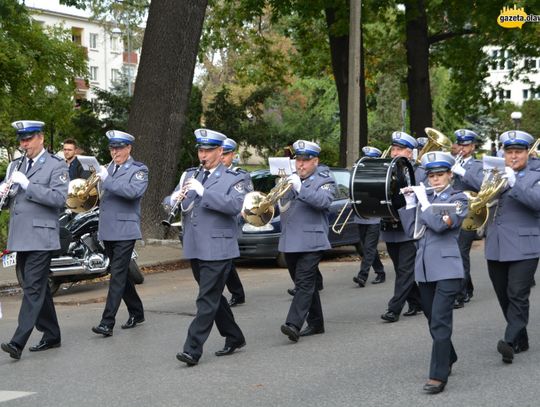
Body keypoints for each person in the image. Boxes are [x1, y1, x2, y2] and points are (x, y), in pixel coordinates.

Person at [173, 129, 249, 366]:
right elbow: (172, 200)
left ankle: (192, 349)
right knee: (214, 296)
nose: (202, 155)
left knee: (205, 299)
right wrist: (174, 198)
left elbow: (236, 205)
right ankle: (234, 336)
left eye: (207, 151)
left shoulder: (236, 178)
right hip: (195, 245)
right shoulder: (190, 174)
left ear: (220, 151)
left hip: (219, 246)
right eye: (200, 150)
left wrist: (204, 191)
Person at [399, 151, 468, 394]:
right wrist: (410, 205)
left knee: (440, 321)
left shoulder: (459, 199)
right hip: (425, 269)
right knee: (431, 319)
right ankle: (449, 355)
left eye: (440, 175)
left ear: (450, 175)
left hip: (448, 269)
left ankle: (438, 376)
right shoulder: (423, 198)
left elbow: (440, 225)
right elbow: (412, 232)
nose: (435, 180)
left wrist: (425, 204)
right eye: (431, 176)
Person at [0, 121, 69, 360]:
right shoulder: (15, 165)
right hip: (20, 236)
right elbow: (11, 201)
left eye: (28, 139)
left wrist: (28, 184)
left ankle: (18, 341)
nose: (24, 144)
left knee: (32, 287)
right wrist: (4, 193)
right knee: (37, 287)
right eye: (21, 140)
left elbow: (59, 198)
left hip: (41, 236)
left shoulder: (55, 165)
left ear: (40, 138)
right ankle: (52, 334)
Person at [483, 130, 540, 364]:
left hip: (525, 245)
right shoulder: (495, 174)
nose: (513, 156)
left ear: (528, 153)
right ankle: (521, 337)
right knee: (503, 295)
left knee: (517, 294)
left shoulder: (536, 175)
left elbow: (537, 201)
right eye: (509, 152)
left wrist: (515, 182)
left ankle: (508, 341)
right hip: (496, 244)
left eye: (518, 152)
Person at [91, 130, 148, 337]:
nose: (115, 152)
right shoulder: (107, 169)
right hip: (107, 229)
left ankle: (107, 322)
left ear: (128, 148)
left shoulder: (139, 170)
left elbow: (133, 192)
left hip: (125, 230)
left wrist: (107, 180)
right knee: (120, 274)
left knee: (116, 275)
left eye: (119, 148)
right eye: (112, 148)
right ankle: (137, 311)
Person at [279, 140, 336, 342]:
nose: (300, 165)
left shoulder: (325, 179)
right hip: (291, 239)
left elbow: (324, 202)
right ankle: (316, 322)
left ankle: (293, 323)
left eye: (305, 161)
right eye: (298, 160)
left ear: (315, 161)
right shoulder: (289, 179)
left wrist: (300, 189)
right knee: (304, 282)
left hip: (312, 240)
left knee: (303, 283)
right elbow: (282, 206)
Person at [380, 132, 423, 323]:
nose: (394, 153)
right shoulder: (386, 170)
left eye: (399, 149)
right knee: (401, 269)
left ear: (410, 153)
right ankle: (418, 301)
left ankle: (393, 309)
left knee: (405, 270)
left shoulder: (420, 172)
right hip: (391, 226)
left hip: (410, 228)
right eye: (393, 149)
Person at [450, 129, 484, 308]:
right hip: (455, 211)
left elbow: (481, 185)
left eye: (465, 145)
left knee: (460, 251)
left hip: (471, 213)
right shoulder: (453, 162)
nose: (462, 148)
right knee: (456, 251)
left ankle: (460, 294)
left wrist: (462, 172)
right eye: (460, 144)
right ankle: (467, 287)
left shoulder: (478, 165)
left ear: (472, 146)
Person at [221, 137, 252, 307]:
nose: (222, 157)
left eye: (226, 154)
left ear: (232, 155)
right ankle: (237, 292)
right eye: (221, 154)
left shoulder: (240, 175)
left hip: (232, 220)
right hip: (217, 221)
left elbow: (247, 200)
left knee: (226, 260)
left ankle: (233, 293)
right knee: (228, 261)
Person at [353, 146, 385, 286]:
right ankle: (380, 271)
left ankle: (362, 276)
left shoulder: (381, 175)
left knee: (369, 247)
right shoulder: (358, 173)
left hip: (374, 216)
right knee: (364, 248)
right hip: (361, 215)